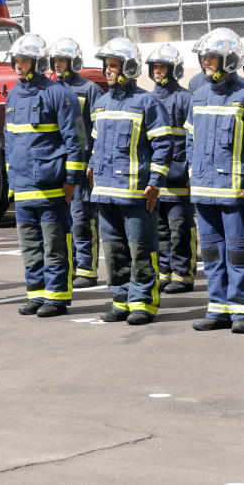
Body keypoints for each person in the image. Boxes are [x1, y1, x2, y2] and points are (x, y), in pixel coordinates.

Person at [89, 37, 173, 325]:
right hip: (105, 192)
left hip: (136, 192)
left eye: (113, 66)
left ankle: (143, 303)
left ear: (129, 68)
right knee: (113, 251)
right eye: (107, 66)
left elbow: (163, 144)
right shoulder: (100, 104)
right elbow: (95, 145)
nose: (107, 71)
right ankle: (121, 299)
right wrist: (91, 169)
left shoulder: (146, 102)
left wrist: (156, 182)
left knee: (140, 249)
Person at [5, 34, 83, 317]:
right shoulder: (13, 94)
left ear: (37, 63)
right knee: (30, 245)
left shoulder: (60, 94)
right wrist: (11, 180)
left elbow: (75, 138)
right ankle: (36, 294)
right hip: (23, 187)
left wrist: (72, 179)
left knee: (54, 244)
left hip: (51, 187)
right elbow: (9, 142)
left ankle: (57, 297)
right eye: (16, 61)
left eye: (24, 61)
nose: (18, 66)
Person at [185, 28, 244, 333]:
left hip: (235, 190)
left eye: (210, 57)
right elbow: (189, 139)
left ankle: (240, 310)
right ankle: (217, 309)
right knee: (210, 251)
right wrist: (192, 174)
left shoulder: (243, 96)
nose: (205, 62)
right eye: (204, 57)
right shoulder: (199, 95)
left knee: (237, 252)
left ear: (229, 59)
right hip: (203, 189)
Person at [49, 37, 104, 288]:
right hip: (60, 164)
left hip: (82, 165)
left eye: (62, 60)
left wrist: (92, 160)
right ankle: (69, 267)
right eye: (55, 60)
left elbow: (98, 131)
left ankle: (86, 270)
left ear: (73, 61)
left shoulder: (90, 89)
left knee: (83, 218)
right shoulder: (50, 89)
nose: (58, 65)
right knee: (63, 220)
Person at [145, 44, 196, 294]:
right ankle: (164, 273)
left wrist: (190, 173)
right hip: (157, 178)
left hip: (178, 176)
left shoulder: (186, 98)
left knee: (180, 229)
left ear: (173, 69)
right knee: (160, 230)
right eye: (154, 67)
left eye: (162, 66)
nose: (157, 71)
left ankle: (183, 275)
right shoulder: (146, 98)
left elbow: (192, 138)